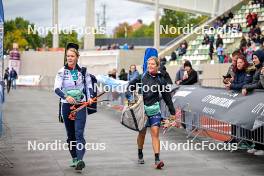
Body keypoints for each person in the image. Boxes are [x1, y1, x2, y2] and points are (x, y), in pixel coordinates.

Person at [127, 51, 175, 169]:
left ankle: (157, 159)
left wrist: (172, 112)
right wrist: (130, 97)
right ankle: (140, 153)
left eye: (152, 64)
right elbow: (130, 86)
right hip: (143, 110)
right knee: (142, 134)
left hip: (154, 110)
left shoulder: (161, 80)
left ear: (157, 66)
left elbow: (166, 97)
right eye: (148, 64)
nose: (150, 66)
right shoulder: (141, 77)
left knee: (155, 133)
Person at [54, 43, 96, 171]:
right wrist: (66, 97)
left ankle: (80, 159)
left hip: (81, 105)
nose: (70, 58)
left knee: (79, 133)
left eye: (72, 56)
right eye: (68, 56)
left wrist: (90, 98)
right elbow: (56, 88)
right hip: (67, 105)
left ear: (77, 57)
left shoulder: (83, 71)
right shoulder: (62, 71)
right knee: (71, 134)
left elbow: (89, 86)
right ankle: (74, 158)